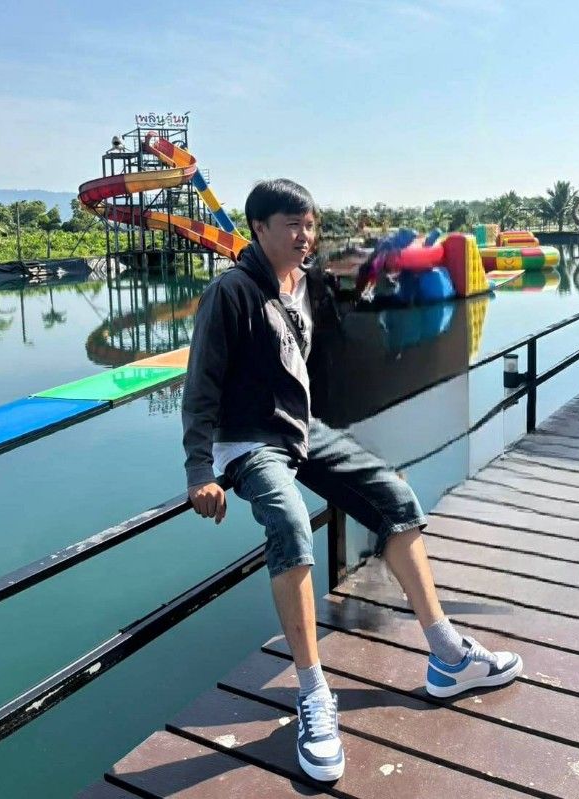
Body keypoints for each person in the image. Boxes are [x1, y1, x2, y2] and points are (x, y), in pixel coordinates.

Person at [181, 179, 522, 783]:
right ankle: (313, 693)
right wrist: (199, 470)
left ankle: (447, 655)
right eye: (292, 225)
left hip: (301, 430)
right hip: (248, 440)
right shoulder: (229, 292)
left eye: (310, 225)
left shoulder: (305, 283)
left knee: (396, 498)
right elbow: (201, 385)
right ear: (258, 228)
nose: (305, 236)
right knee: (290, 522)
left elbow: (322, 362)